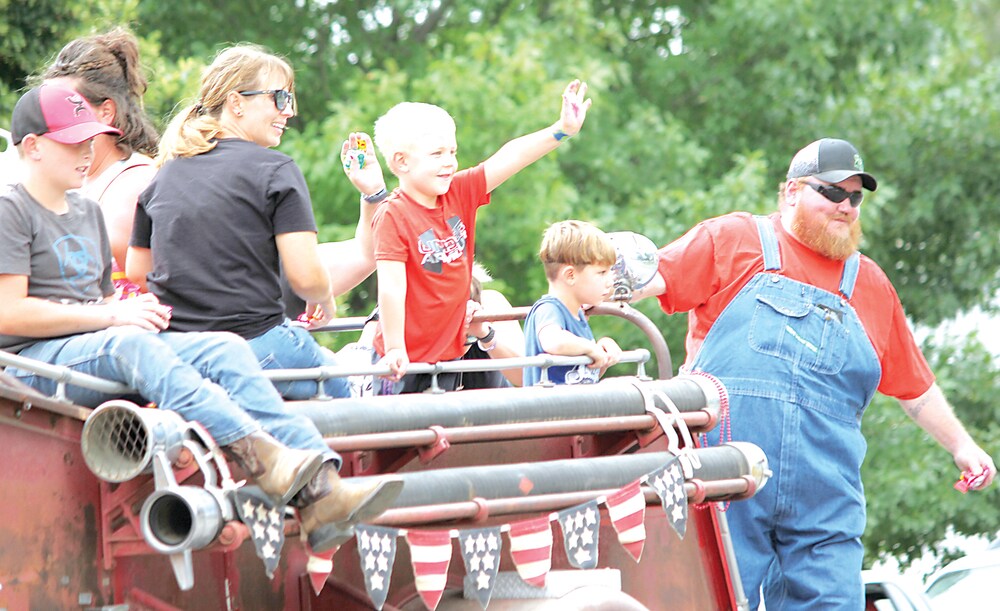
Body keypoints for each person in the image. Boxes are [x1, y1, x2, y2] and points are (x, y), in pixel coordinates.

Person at [0, 84, 402, 553]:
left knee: (224, 346)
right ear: (32, 147)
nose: (88, 150)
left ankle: (322, 488)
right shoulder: (11, 208)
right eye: (73, 141)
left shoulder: (87, 210)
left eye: (92, 138)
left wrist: (131, 311)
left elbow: (102, 301)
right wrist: (114, 316)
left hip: (95, 346)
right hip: (34, 364)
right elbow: (10, 312)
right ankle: (264, 458)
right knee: (131, 344)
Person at [633, 138, 996, 609]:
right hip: (725, 479)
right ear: (791, 192)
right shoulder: (734, 240)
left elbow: (915, 390)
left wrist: (964, 447)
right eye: (831, 192)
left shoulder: (870, 284)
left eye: (855, 197)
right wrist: (580, 295)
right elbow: (647, 278)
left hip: (825, 497)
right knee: (709, 600)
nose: (845, 206)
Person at [127, 44, 387, 400]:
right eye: (280, 98)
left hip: (179, 352)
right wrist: (325, 300)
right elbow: (306, 277)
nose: (290, 111)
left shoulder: (164, 174)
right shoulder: (276, 170)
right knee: (350, 400)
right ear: (236, 103)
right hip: (257, 344)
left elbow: (138, 272)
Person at [370, 80, 591, 394]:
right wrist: (394, 348)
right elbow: (391, 287)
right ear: (400, 161)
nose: (449, 161)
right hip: (403, 362)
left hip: (446, 358)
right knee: (398, 438)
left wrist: (561, 129)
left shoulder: (458, 193)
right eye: (437, 154)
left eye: (452, 152)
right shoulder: (393, 214)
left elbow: (511, 157)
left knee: (442, 435)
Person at [41, 27, 158, 299]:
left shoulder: (135, 184)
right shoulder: (62, 181)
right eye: (47, 108)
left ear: (106, 111)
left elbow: (151, 287)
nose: (50, 120)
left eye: (66, 108)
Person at [523, 220, 622, 386]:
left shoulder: (578, 316)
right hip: (549, 410)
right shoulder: (549, 308)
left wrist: (603, 355)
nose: (610, 281)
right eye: (602, 272)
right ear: (570, 275)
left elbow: (584, 375)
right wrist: (590, 348)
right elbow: (553, 341)